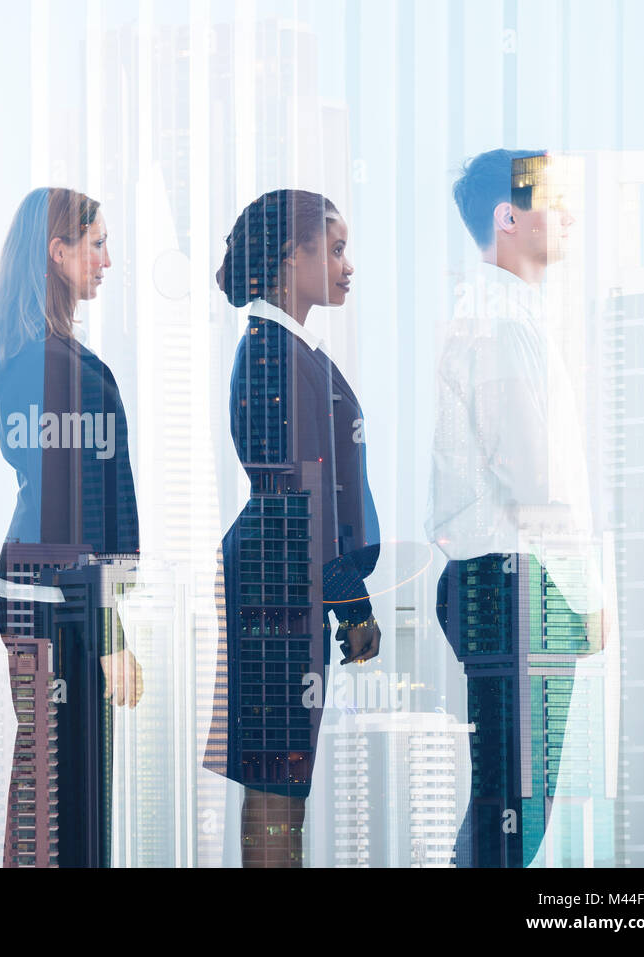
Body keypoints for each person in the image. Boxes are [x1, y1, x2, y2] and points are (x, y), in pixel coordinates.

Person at [428, 149, 604, 868]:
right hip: (515, 584)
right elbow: (536, 481)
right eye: (553, 201)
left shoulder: (505, 315)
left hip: (510, 582)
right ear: (509, 218)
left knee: (512, 806)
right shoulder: (501, 323)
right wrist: (587, 593)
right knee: (514, 810)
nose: (568, 215)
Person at [214, 189, 381, 868]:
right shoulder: (274, 353)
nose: (347, 266)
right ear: (293, 255)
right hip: (278, 585)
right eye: (335, 249)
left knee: (285, 773)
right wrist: (351, 601)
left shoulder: (290, 348)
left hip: (287, 582)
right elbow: (298, 493)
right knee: (277, 776)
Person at [0, 187, 142, 867]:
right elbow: (60, 520)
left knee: (59, 794)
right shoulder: (46, 364)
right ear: (59, 250)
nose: (108, 259)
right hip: (53, 600)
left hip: (56, 595)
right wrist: (107, 636)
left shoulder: (53, 356)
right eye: (97, 243)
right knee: (59, 801)